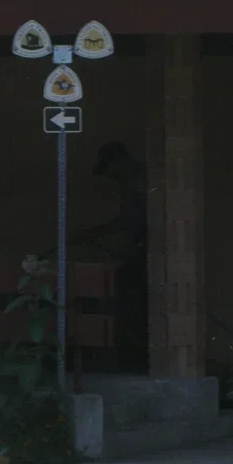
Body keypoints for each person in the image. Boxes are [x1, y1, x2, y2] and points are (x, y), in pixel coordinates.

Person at [91, 141, 149, 370]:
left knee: (131, 300)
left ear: (119, 163)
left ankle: (134, 356)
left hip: (146, 252)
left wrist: (93, 233)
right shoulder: (131, 182)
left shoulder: (137, 182)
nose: (110, 176)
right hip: (139, 250)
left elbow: (135, 221)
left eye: (110, 169)